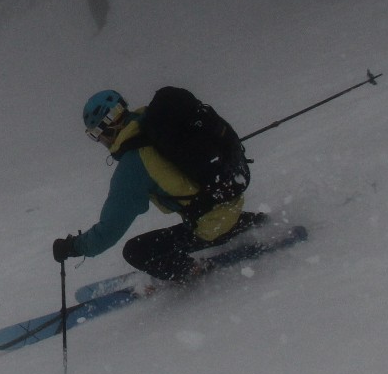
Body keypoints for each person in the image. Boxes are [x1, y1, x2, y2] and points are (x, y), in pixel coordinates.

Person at [52, 89, 255, 283]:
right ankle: (244, 224)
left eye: (95, 135)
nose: (100, 142)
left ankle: (197, 272)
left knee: (136, 252)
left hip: (212, 221)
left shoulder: (132, 166)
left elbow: (108, 232)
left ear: (105, 130)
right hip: (230, 196)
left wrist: (72, 247)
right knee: (205, 214)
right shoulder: (160, 125)